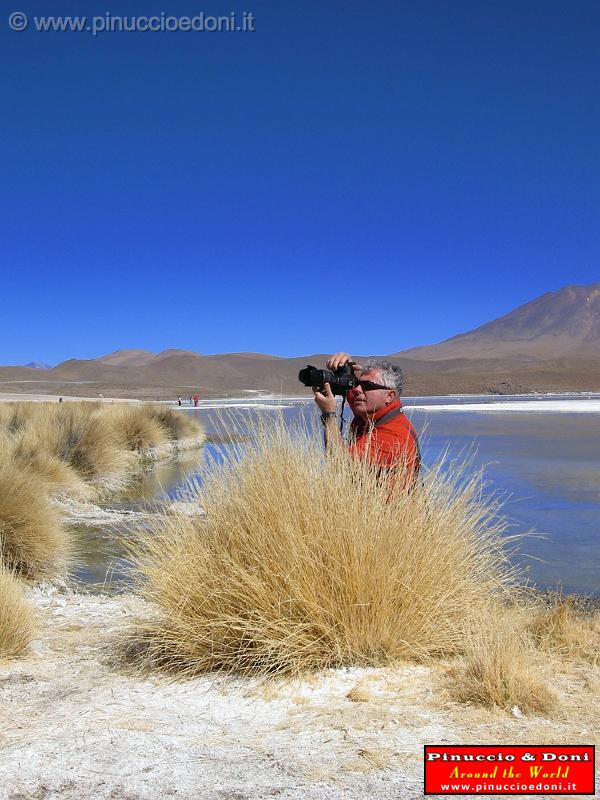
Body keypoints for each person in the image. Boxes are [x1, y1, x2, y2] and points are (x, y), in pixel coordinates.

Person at [312, 352, 420, 483]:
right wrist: (347, 369)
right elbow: (355, 392)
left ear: (389, 396)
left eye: (367, 386)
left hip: (384, 504)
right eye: (358, 383)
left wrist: (329, 415)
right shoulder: (370, 414)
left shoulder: (394, 436)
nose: (357, 389)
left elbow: (339, 464)